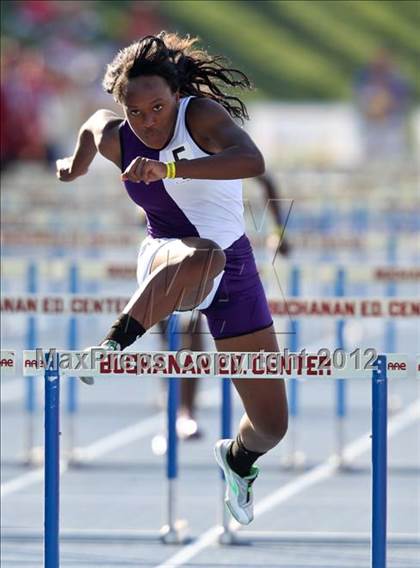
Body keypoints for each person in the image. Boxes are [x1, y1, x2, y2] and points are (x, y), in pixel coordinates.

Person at [56, 32, 288, 526]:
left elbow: (253, 162)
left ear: (175, 96)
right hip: (165, 255)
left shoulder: (200, 116)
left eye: (158, 108)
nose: (149, 121)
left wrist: (169, 167)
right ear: (122, 108)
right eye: (136, 113)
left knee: (272, 425)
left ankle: (238, 459)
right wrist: (71, 168)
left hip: (235, 265)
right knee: (203, 257)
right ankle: (112, 345)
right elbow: (87, 135)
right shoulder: (113, 134)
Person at [157, 171, 291, 441]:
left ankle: (186, 410)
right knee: (168, 328)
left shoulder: (225, 147)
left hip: (223, 254)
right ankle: (176, 397)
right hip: (173, 248)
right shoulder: (164, 146)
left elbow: (266, 180)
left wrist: (279, 232)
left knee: (192, 326)